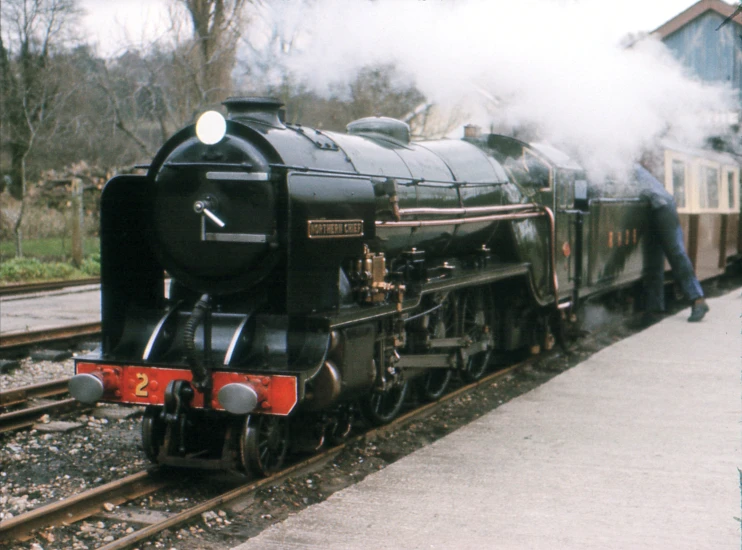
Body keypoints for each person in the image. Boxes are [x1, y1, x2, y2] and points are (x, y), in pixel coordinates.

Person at [635, 159, 709, 323]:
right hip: (651, 211)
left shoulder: (626, 167)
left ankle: (698, 300)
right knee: (652, 261)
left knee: (676, 253)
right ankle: (654, 309)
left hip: (662, 207)